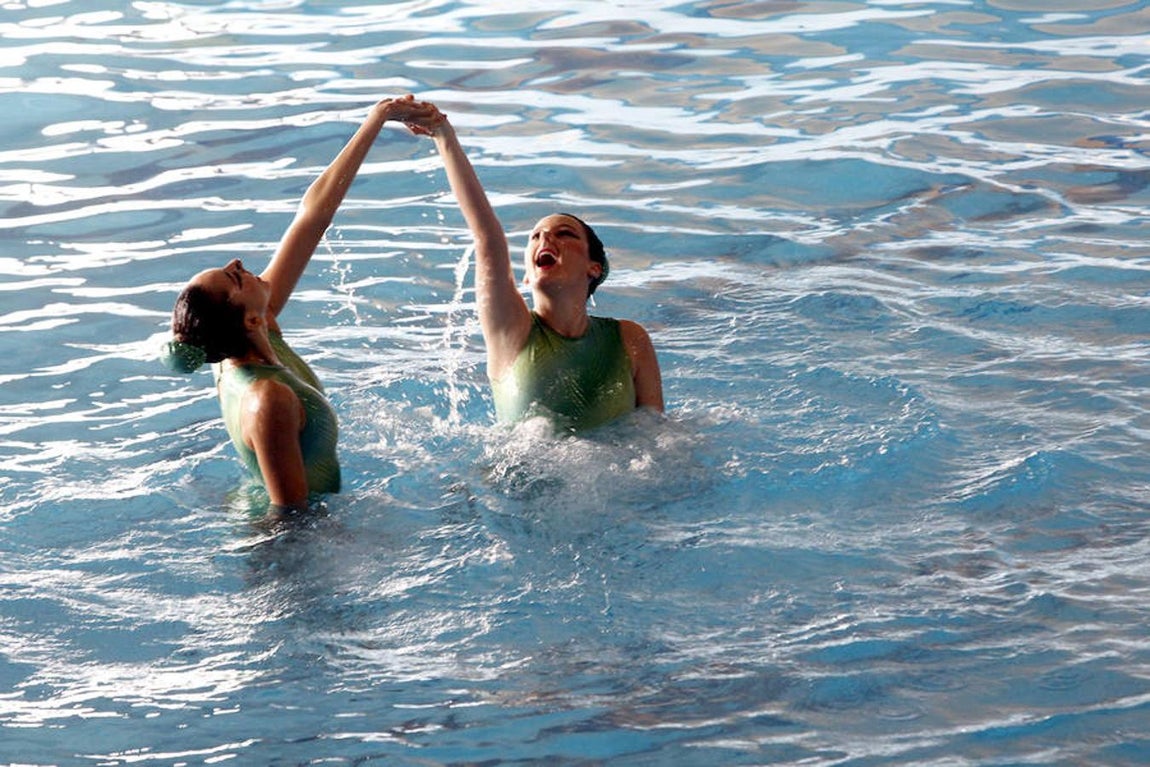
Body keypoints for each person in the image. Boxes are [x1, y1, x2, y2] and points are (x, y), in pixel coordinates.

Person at [162, 95, 443, 517]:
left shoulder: (247, 334)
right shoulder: (268, 399)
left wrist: (377, 119)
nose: (236, 263)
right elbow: (289, 519)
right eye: (233, 278)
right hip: (290, 546)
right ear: (249, 317)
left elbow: (313, 216)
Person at [406, 102, 664, 432]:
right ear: (527, 274)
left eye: (564, 234)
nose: (545, 241)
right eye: (535, 237)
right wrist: (443, 135)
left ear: (593, 268)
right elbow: (487, 235)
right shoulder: (511, 331)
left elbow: (656, 436)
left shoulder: (630, 339)